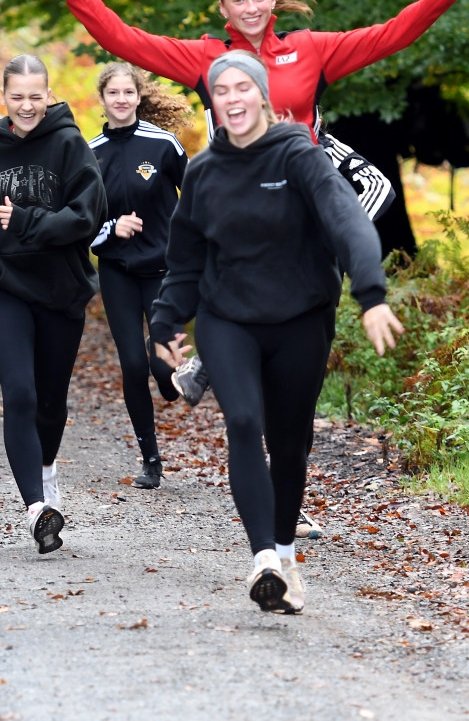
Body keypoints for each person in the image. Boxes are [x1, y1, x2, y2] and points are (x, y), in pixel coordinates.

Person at [33, 0, 469, 410]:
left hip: (304, 186)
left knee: (370, 197)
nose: (250, 9)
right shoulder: (208, 58)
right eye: (239, 0)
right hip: (237, 189)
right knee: (227, 255)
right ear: (224, 8)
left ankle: (318, 298)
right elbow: (124, 40)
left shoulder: (312, 49)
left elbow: (395, 34)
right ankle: (214, 356)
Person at [150, 53, 404, 614]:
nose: (233, 98)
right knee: (242, 421)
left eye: (244, 87)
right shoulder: (203, 171)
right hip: (228, 317)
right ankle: (263, 557)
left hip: (300, 318)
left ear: (262, 95)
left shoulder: (300, 155)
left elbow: (347, 220)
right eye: (222, 90)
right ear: (213, 102)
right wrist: (164, 322)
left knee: (290, 445)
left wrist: (371, 294)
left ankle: (285, 555)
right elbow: (186, 259)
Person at [0, 54, 106, 554]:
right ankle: (37, 508)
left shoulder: (70, 145)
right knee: (19, 393)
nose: (27, 105)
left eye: (36, 96)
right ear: (3, 98)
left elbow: (88, 215)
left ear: (50, 95)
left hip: (60, 290)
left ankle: (47, 471)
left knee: (51, 402)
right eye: (18, 97)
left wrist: (29, 221)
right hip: (4, 288)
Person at [88, 62, 192, 489]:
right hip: (117, 272)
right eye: (113, 93)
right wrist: (112, 229)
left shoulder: (164, 145)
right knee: (132, 364)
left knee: (161, 362)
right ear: (103, 99)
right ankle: (150, 458)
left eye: (128, 92)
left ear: (138, 96)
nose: (121, 99)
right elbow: (81, 226)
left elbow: (198, 202)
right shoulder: (89, 154)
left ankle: (168, 377)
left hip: (164, 269)